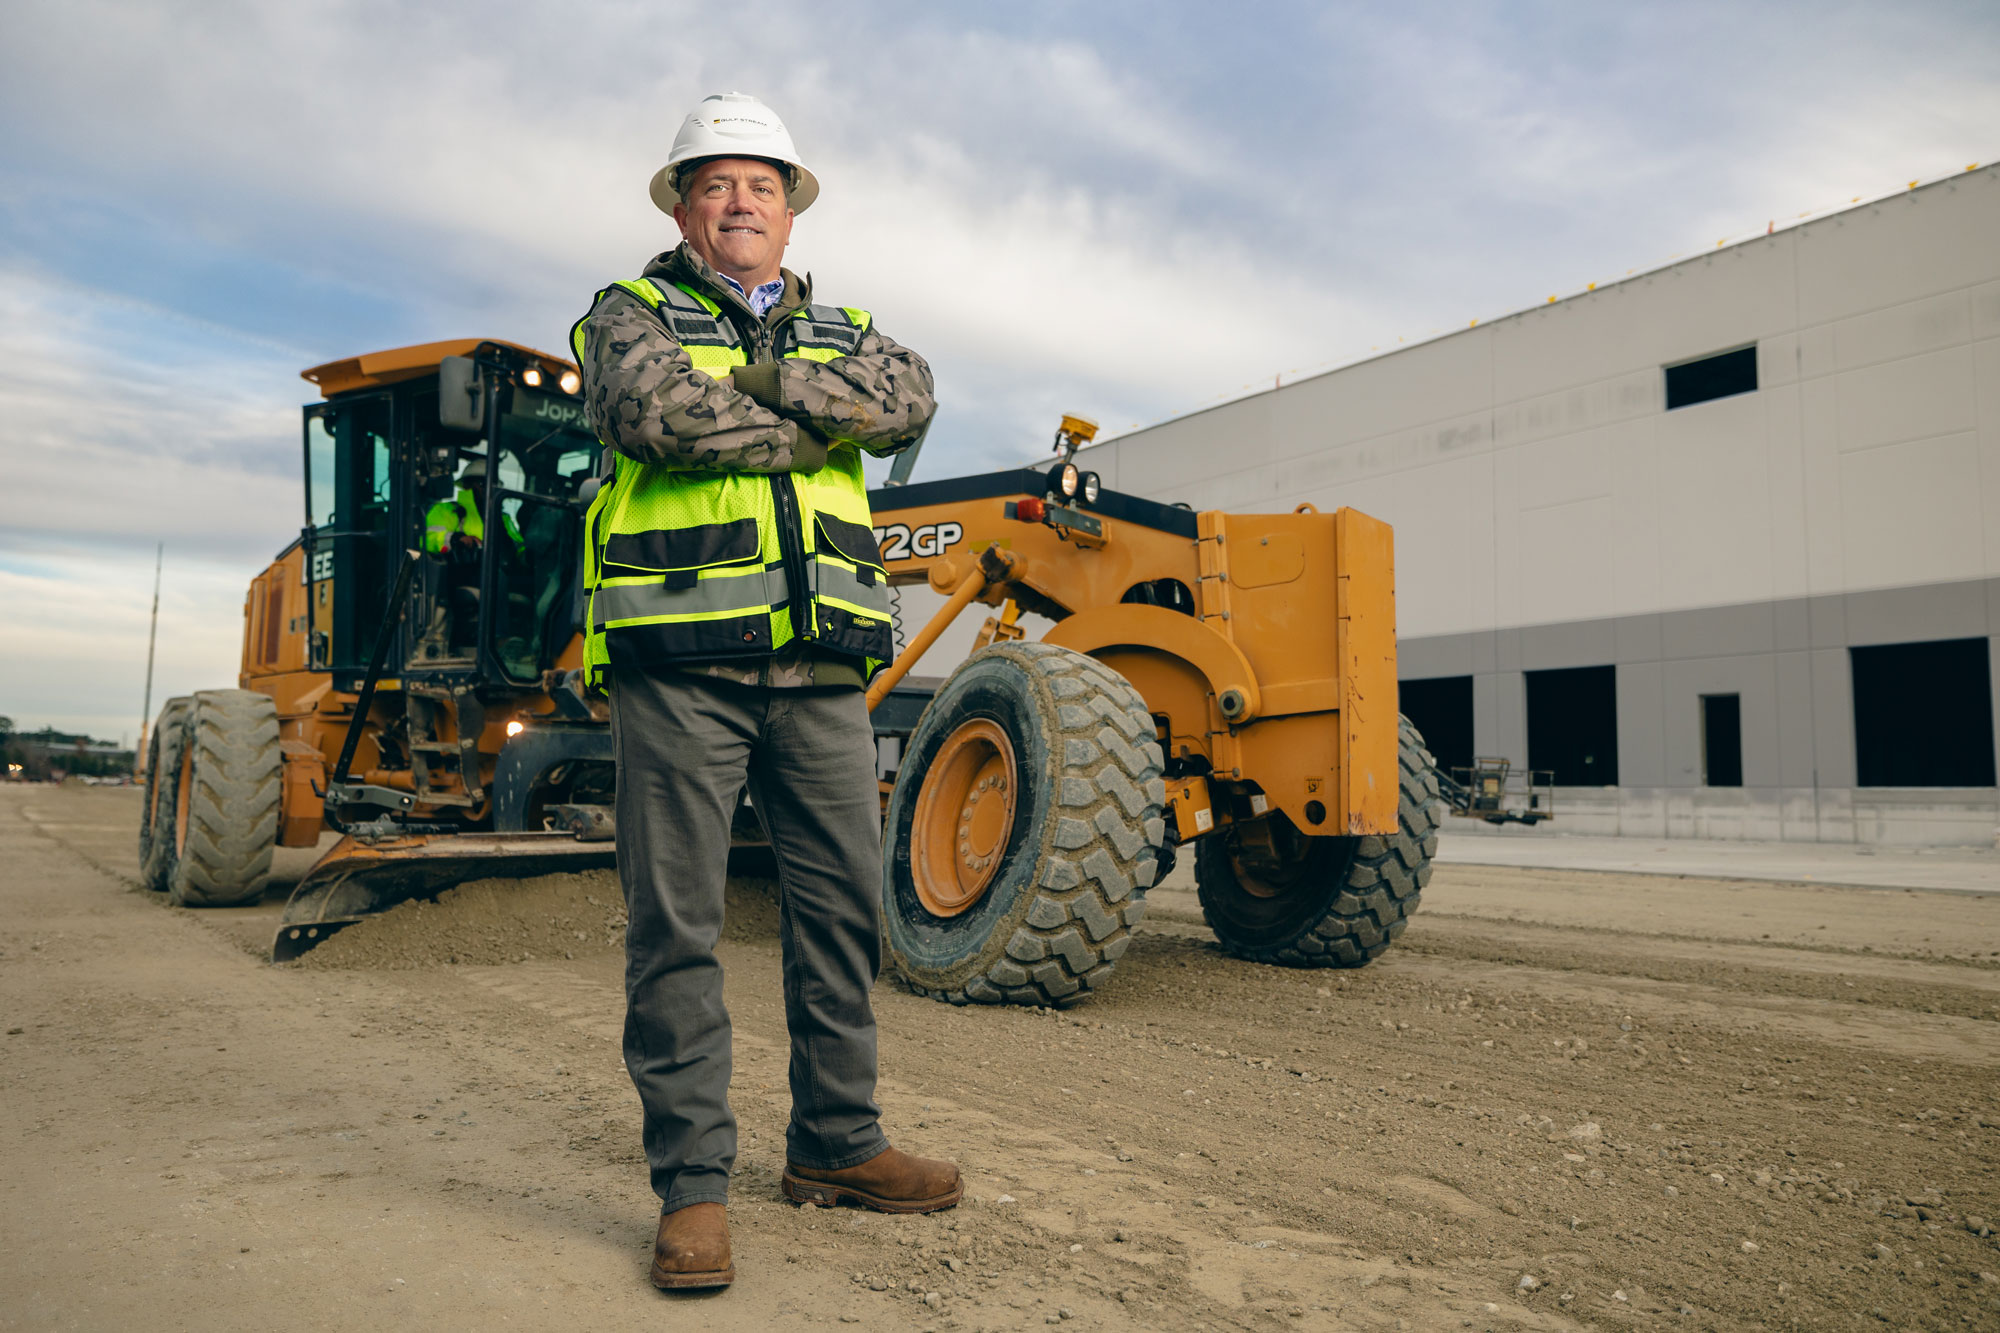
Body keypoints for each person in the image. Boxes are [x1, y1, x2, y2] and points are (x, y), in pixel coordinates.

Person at [571, 92, 957, 1292]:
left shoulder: (851, 322)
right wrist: (808, 410)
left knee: (841, 910)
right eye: (716, 183)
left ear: (789, 212)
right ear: (682, 206)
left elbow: (908, 401)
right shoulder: (627, 314)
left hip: (823, 668)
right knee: (676, 926)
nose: (741, 203)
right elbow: (655, 416)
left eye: (762, 185)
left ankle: (836, 1144)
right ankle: (692, 1189)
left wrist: (753, 384)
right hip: (682, 659)